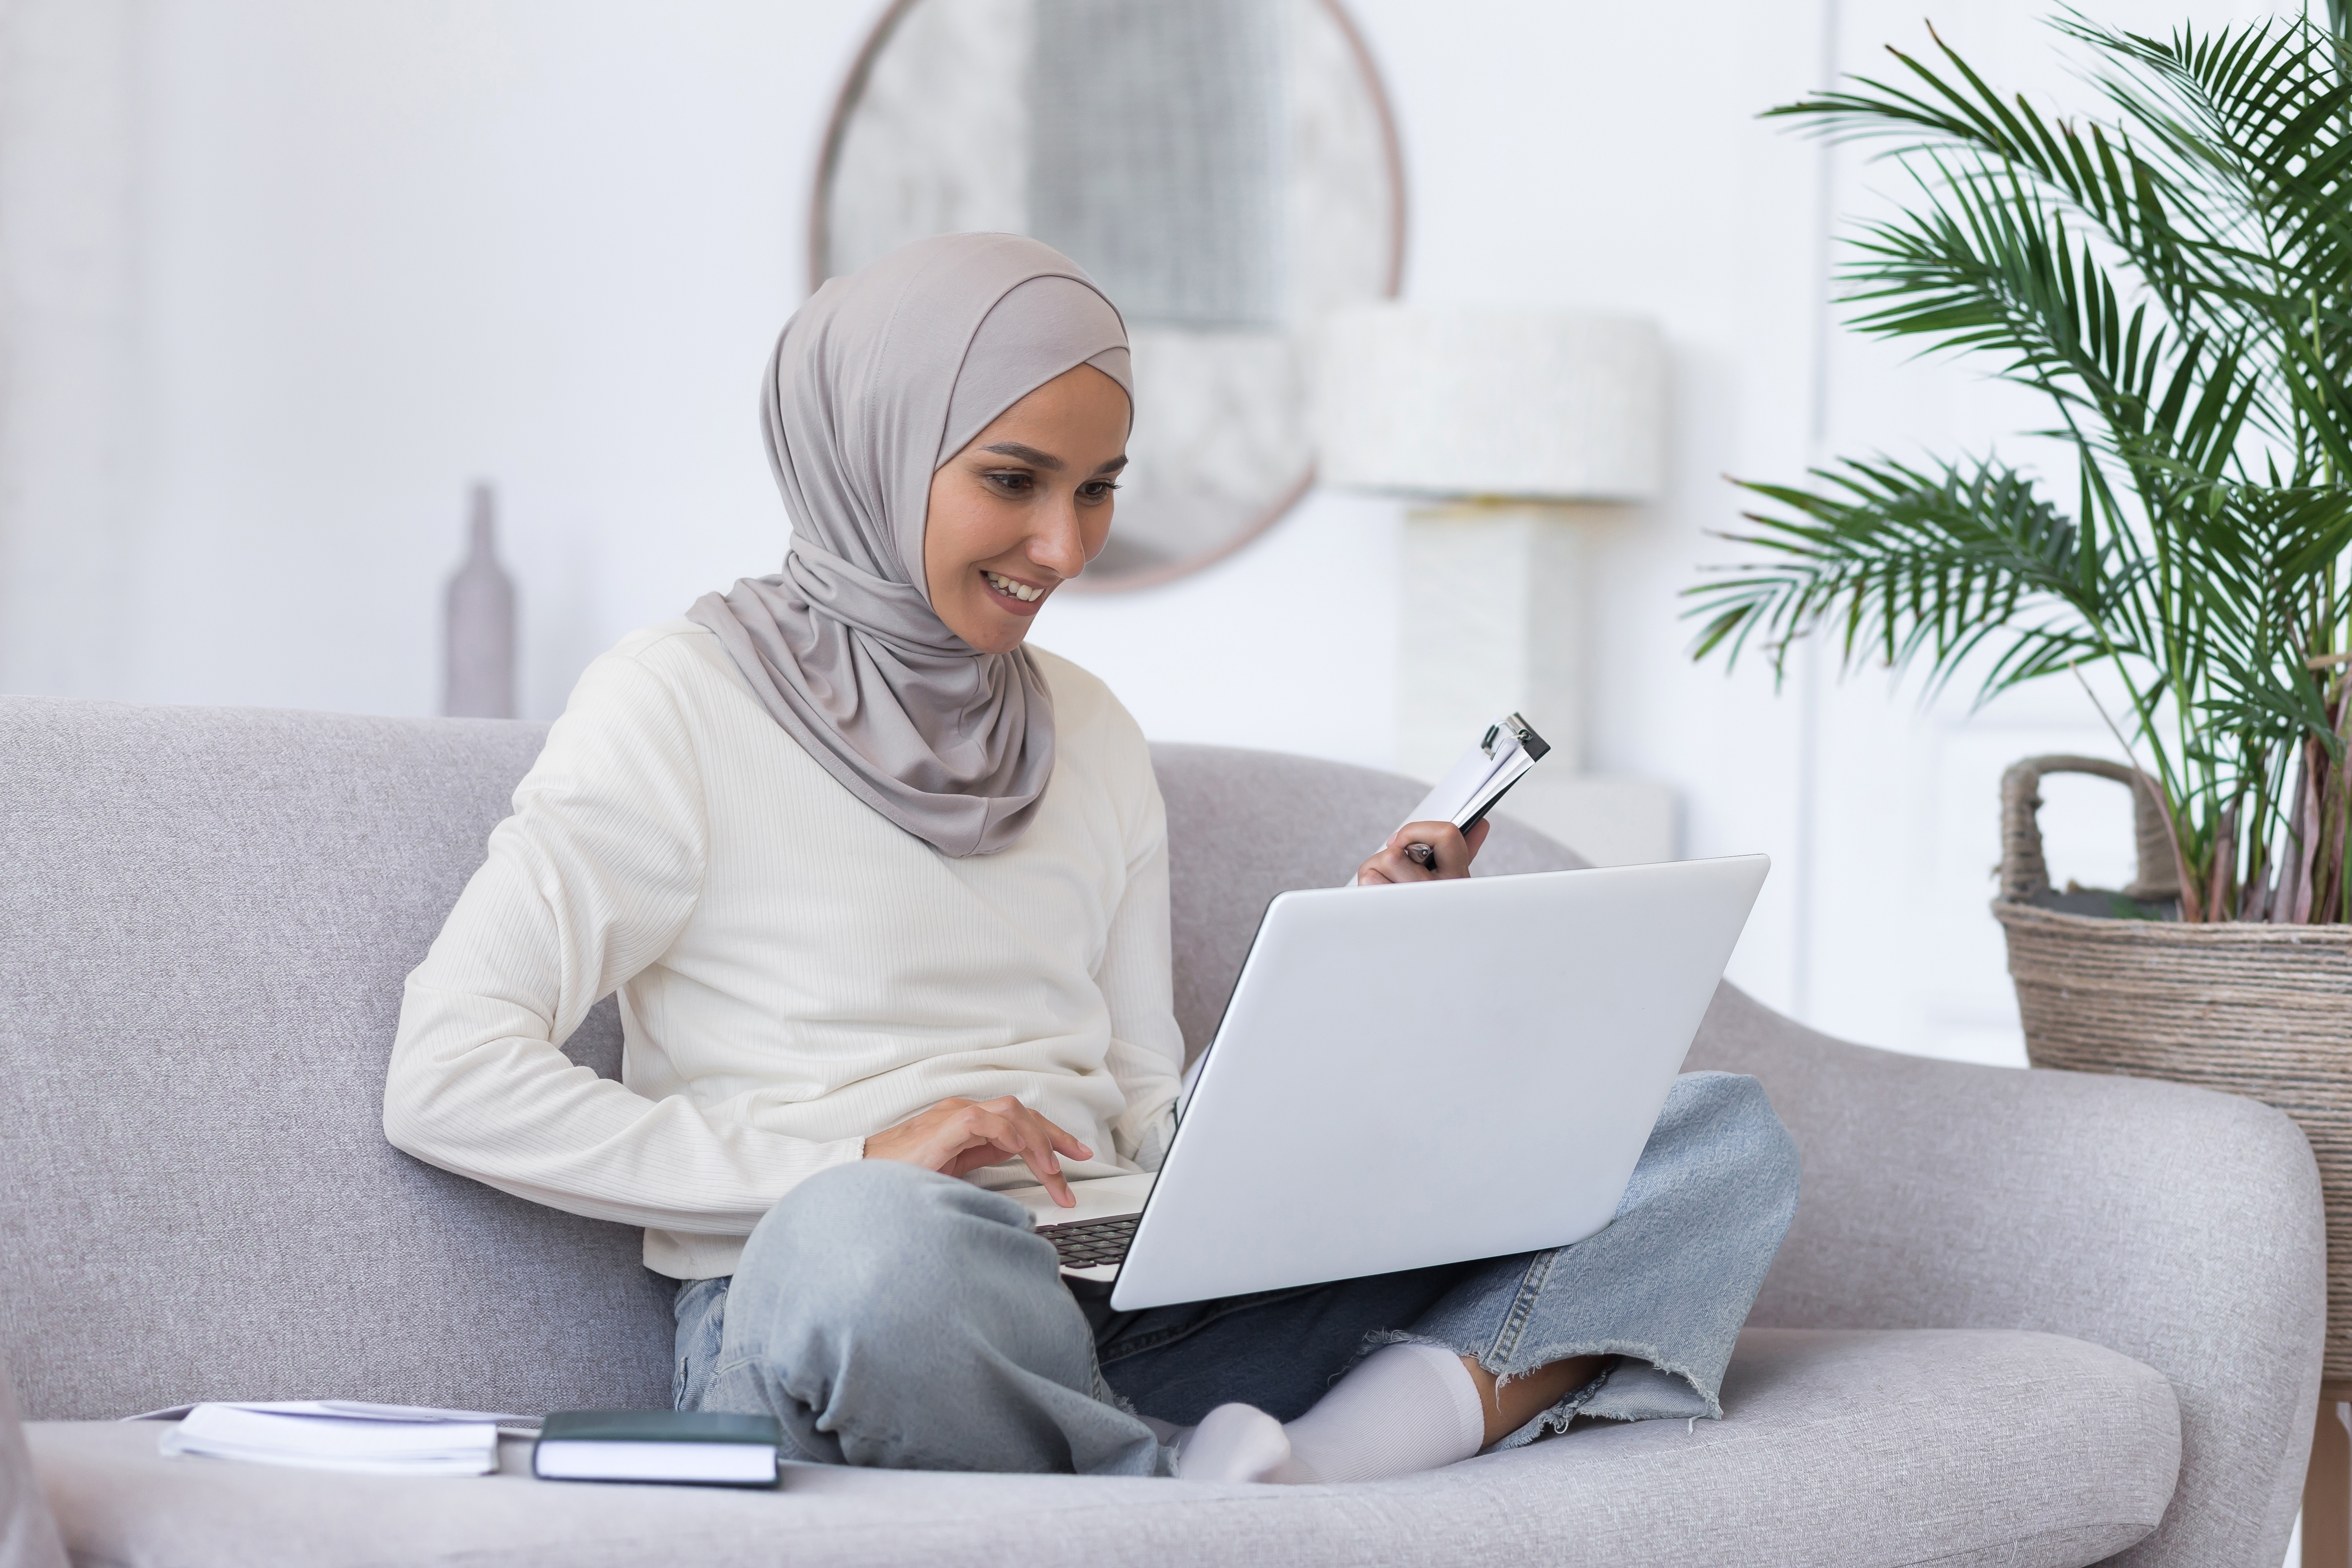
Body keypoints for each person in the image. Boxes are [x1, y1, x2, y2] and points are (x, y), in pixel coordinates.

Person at [382, 232, 1799, 1483]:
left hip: (1129, 1294)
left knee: (1717, 1133)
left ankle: (1307, 1468)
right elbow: (447, 1075)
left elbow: (1131, 1122)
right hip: (872, 1308)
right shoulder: (677, 703)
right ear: (870, 449)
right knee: (866, 1243)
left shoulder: (1095, 734)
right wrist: (848, 1159)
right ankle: (1179, 1496)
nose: (1063, 546)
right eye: (1014, 480)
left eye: (1101, 489)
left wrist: (1365, 992)